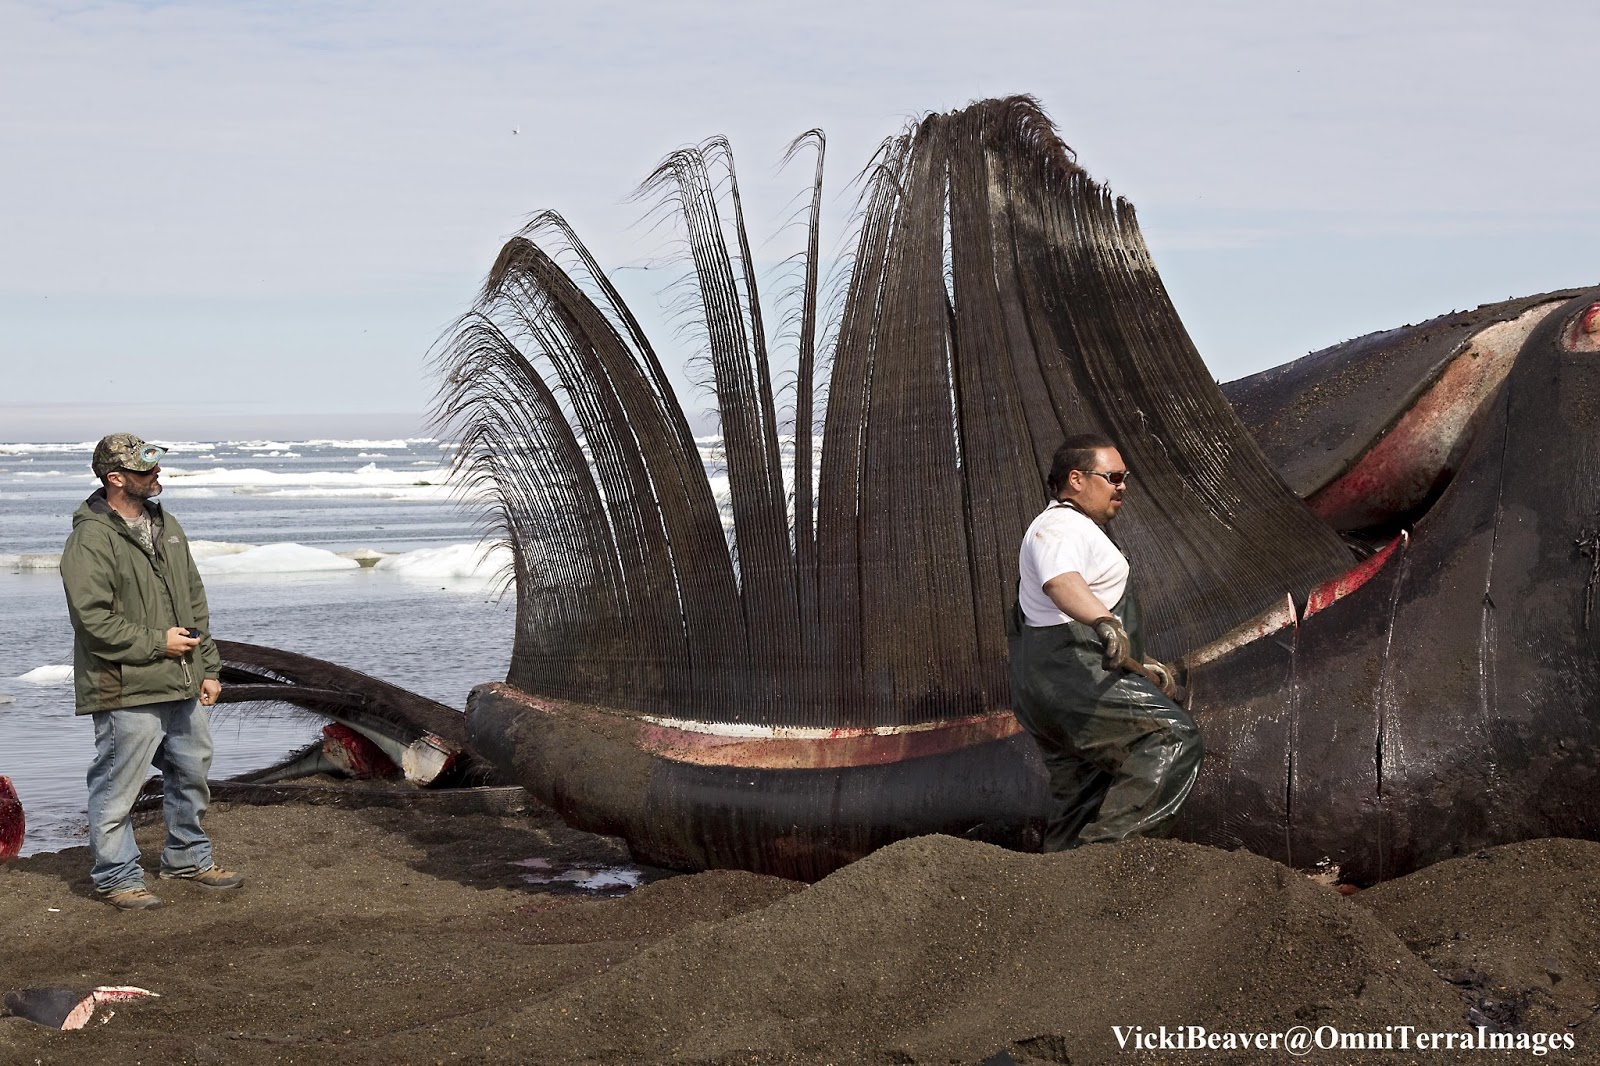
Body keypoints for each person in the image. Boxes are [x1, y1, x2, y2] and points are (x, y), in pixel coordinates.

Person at [60, 433, 243, 910]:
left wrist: (208, 667)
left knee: (191, 772)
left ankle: (187, 858)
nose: (156, 476)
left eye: (156, 468)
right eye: (145, 471)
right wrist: (156, 643)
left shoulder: (167, 524)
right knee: (117, 787)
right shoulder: (90, 538)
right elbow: (92, 621)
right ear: (115, 478)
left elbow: (194, 599)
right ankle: (117, 877)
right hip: (125, 686)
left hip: (182, 679)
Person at [1008, 432, 1203, 851]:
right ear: (1076, 479)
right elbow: (1061, 583)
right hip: (1073, 679)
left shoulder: (1074, 529)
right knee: (1171, 737)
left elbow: (1068, 611)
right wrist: (1103, 622)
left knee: (1084, 795)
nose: (1122, 487)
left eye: (1124, 477)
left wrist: (1139, 658)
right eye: (1113, 477)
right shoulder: (1060, 526)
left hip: (1047, 685)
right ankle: (1105, 866)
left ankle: (1060, 892)